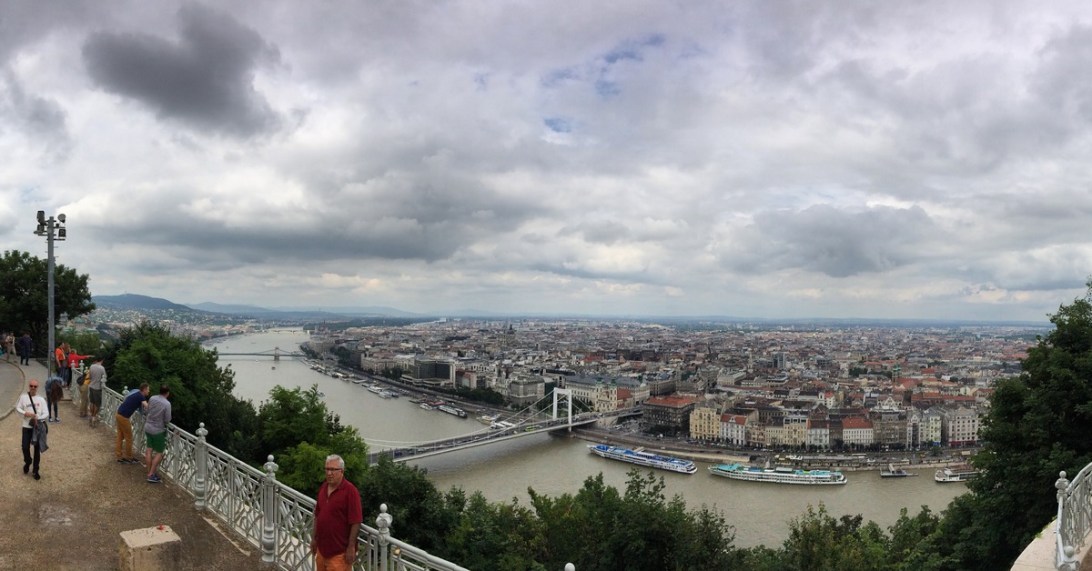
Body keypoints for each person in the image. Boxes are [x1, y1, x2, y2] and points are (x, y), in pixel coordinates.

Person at [310, 454, 362, 570]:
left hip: (339, 554)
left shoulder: (350, 491)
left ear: (342, 471)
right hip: (322, 550)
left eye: (333, 470)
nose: (329, 473)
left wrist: (351, 547)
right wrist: (314, 538)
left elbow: (356, 521)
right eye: (327, 469)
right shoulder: (324, 487)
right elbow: (317, 515)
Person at [17, 380, 49, 480]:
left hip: (37, 427)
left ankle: (35, 470)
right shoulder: (23, 397)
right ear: (29, 386)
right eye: (31, 386)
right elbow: (18, 408)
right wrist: (25, 413)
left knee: (36, 449)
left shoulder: (41, 399)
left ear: (37, 387)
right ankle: (28, 461)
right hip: (26, 426)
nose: (33, 388)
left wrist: (37, 418)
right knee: (25, 447)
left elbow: (46, 413)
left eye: (35, 386)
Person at [143, 385, 172, 483]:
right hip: (157, 430)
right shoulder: (167, 404)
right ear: (167, 393)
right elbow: (167, 419)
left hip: (148, 427)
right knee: (159, 452)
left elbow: (147, 410)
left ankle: (149, 471)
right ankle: (151, 474)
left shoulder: (152, 398)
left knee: (149, 450)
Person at [115, 383, 149, 464]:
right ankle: (129, 457)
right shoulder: (141, 396)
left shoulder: (136, 393)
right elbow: (146, 406)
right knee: (129, 437)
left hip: (118, 414)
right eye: (148, 389)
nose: (149, 391)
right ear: (144, 390)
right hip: (124, 417)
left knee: (120, 436)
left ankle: (119, 456)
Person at [87, 356, 107, 427]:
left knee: (92, 402)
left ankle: (91, 415)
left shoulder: (92, 366)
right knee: (97, 404)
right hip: (97, 388)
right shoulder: (102, 368)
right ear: (102, 360)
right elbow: (104, 377)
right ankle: (94, 417)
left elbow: (90, 376)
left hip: (91, 386)